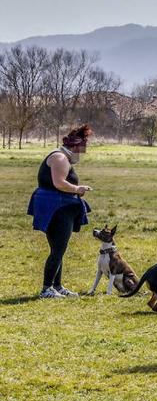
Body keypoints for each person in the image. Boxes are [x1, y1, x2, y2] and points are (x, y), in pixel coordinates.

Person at [27, 125, 93, 298]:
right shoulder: (60, 158)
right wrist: (79, 188)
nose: (82, 153)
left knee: (58, 249)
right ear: (75, 145)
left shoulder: (61, 156)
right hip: (57, 208)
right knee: (58, 250)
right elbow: (59, 183)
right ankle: (46, 288)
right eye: (82, 149)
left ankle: (57, 286)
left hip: (58, 206)